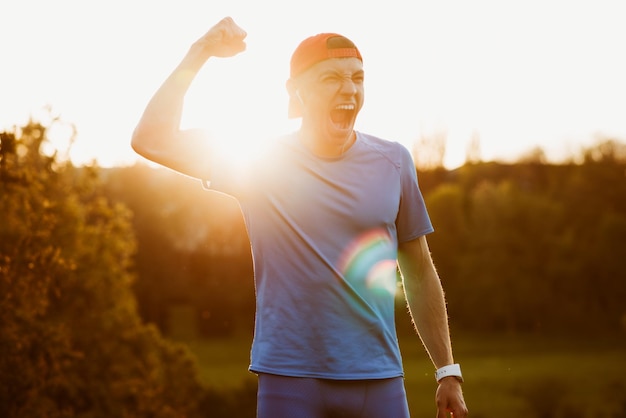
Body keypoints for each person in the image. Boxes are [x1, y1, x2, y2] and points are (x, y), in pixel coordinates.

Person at [131, 16, 468, 418]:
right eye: (331, 79)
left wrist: (447, 370)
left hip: (378, 381)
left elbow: (419, 270)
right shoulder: (260, 162)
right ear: (297, 92)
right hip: (289, 382)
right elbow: (150, 139)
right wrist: (199, 50)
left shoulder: (394, 162)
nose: (349, 89)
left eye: (358, 78)